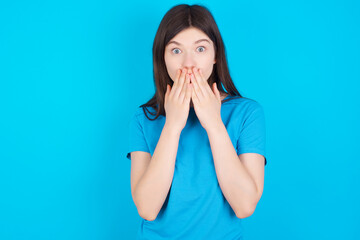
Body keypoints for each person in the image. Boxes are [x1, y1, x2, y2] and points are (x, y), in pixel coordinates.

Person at [126, 4, 267, 239]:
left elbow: (245, 206)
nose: (189, 64)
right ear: (163, 58)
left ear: (215, 56)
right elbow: (147, 209)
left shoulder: (247, 113)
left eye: (200, 49)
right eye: (176, 50)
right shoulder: (144, 119)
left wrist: (213, 123)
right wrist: (172, 125)